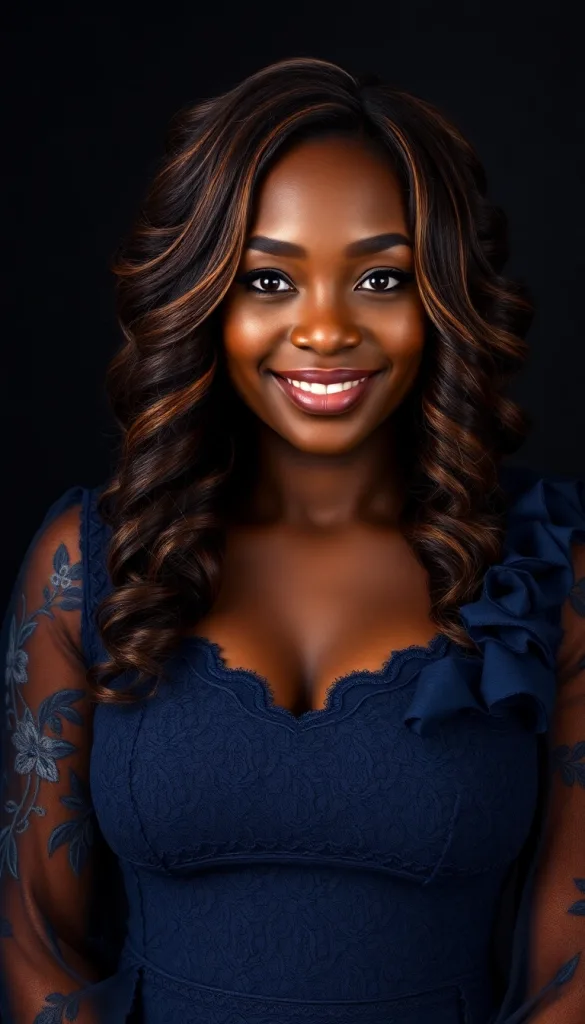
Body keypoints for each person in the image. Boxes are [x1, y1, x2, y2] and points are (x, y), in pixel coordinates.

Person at [1, 55, 585, 1024]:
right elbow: (29, 932)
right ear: (208, 295)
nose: (323, 329)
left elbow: (574, 969)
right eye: (269, 277)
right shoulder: (88, 561)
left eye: (381, 276)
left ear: (442, 296)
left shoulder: (549, 572)